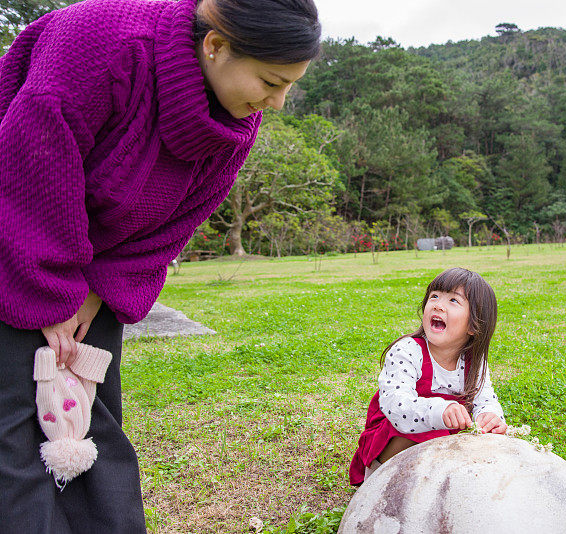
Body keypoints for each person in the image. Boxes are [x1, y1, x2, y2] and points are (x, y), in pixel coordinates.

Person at [0, 0, 320, 530]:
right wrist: (49, 292)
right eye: (270, 80)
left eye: (289, 85)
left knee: (86, 414)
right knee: (14, 419)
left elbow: (178, 219)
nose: (278, 102)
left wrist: (97, 290)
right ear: (215, 46)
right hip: (17, 241)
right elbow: (30, 167)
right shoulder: (99, 43)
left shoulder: (237, 124)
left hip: (96, 264)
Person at [349, 267, 508, 486]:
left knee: (486, 443)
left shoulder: (475, 362)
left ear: (474, 325)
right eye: (434, 296)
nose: (438, 305)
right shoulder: (407, 351)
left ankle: (444, 484)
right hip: (395, 439)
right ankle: (382, 482)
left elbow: (485, 399)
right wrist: (439, 411)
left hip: (444, 444)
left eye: (453, 301)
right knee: (421, 433)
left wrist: (491, 417)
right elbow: (397, 406)